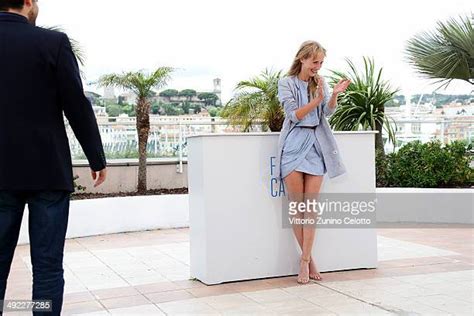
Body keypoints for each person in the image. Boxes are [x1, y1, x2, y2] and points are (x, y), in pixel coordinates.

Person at [0, 0, 107, 314]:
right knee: (47, 266)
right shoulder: (52, 42)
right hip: (48, 172)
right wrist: (96, 158)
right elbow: (77, 105)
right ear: (29, 2)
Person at [276, 40, 350, 284]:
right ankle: (309, 260)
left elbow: (327, 113)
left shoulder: (320, 83)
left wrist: (333, 96)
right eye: (315, 62)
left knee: (311, 211)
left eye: (321, 62)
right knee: (298, 211)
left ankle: (304, 259)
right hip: (293, 147)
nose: (318, 67)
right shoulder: (286, 83)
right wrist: (317, 99)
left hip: (316, 148)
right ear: (302, 59)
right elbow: (293, 115)